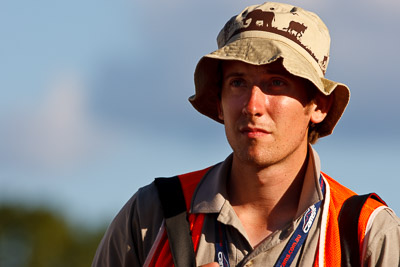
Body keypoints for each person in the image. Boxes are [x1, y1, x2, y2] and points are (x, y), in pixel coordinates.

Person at [92, 2, 400, 266]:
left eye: (276, 83)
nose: (253, 105)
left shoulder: (365, 232)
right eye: (238, 82)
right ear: (220, 102)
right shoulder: (152, 215)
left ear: (318, 105)